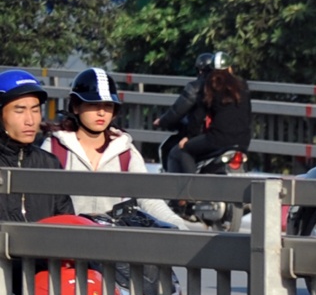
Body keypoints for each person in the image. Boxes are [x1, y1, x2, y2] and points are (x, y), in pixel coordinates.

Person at [48, 68, 193, 227]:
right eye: (93, 104)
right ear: (76, 107)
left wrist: (179, 226)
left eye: (108, 105)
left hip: (112, 239)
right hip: (64, 237)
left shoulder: (125, 151)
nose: (102, 112)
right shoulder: (54, 147)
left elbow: (149, 199)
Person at [0, 70, 72, 223]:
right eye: (19, 111)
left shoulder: (49, 164)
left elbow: (66, 222)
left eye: (36, 110)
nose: (30, 121)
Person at [164, 56, 252, 176]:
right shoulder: (242, 86)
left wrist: (189, 137)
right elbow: (248, 115)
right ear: (230, 68)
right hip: (243, 140)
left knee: (181, 151)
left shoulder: (211, 85)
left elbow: (198, 116)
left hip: (218, 139)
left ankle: (192, 184)